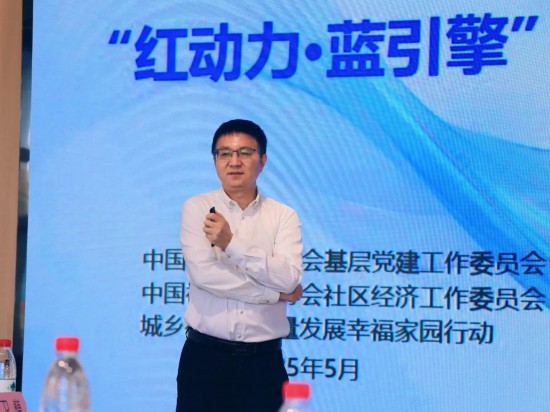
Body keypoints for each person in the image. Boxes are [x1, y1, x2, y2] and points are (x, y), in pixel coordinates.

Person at [176, 119, 304, 412]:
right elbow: (205, 275)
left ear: (263, 160)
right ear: (215, 160)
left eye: (245, 152)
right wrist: (273, 294)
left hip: (264, 363)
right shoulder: (197, 208)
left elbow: (288, 278)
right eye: (224, 153)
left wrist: (230, 243)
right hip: (204, 358)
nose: (234, 161)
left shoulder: (283, 216)